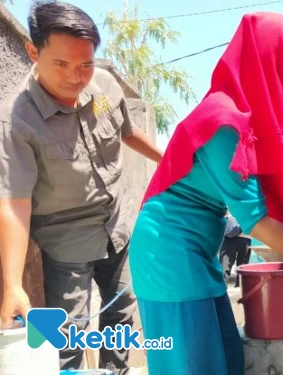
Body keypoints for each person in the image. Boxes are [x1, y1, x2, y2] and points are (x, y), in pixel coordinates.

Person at [128, 12, 283, 375]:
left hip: (197, 250)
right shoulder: (223, 123)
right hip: (168, 253)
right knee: (194, 366)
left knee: (226, 361)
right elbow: (257, 222)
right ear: (272, 69)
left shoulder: (248, 118)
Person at [0, 1, 163, 372]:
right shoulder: (17, 121)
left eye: (85, 64)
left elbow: (127, 132)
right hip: (66, 240)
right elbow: (14, 202)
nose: (76, 77)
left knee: (122, 312)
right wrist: (11, 283)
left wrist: (171, 160)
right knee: (67, 334)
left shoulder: (103, 85)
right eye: (61, 64)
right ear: (33, 52)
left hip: (117, 227)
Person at [219, 211, 251, 287]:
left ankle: (241, 289)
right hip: (228, 236)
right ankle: (222, 291)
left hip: (245, 237)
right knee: (224, 266)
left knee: (242, 268)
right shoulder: (227, 201)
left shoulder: (249, 201)